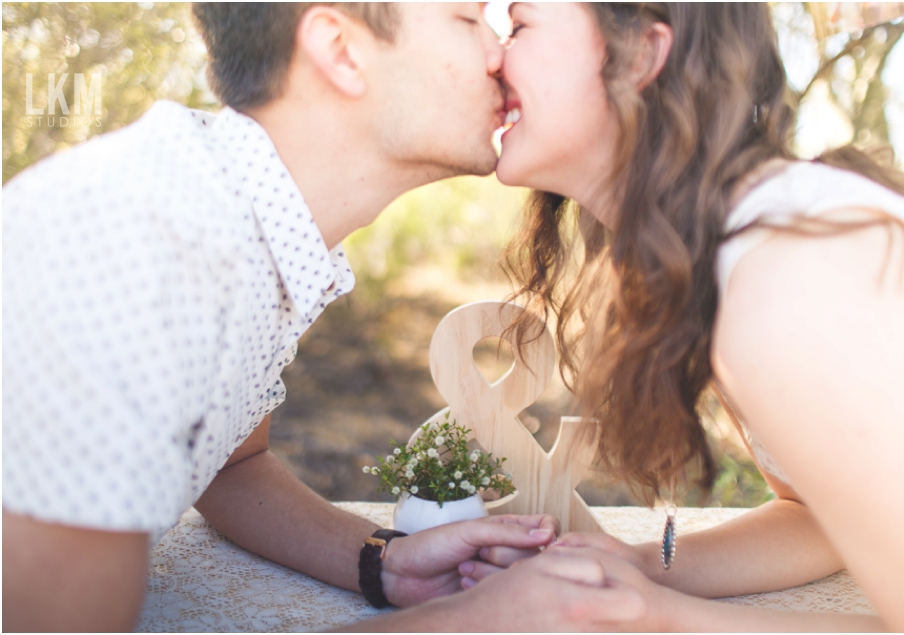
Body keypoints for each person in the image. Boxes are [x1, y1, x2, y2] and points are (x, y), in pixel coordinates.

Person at [3, 4, 647, 631]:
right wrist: (466, 622)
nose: (500, 52)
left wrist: (382, 564)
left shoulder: (251, 224)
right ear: (341, 51)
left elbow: (230, 466)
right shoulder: (130, 245)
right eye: (467, 19)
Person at [469, 2, 904, 631]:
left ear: (640, 55)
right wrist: (639, 567)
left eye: (520, 25)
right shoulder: (728, 249)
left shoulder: (789, 283)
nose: (492, 55)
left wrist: (657, 616)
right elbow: (817, 515)